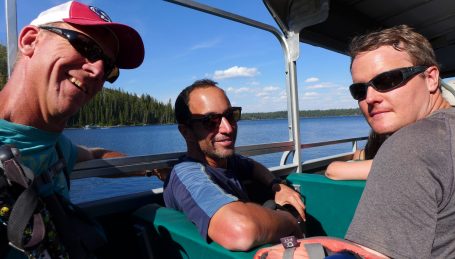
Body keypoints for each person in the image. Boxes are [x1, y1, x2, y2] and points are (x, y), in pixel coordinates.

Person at [0, 0, 144, 200]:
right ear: (30, 41)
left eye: (109, 67)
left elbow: (96, 155)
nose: (98, 71)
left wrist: (153, 170)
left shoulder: (57, 148)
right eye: (86, 47)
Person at [342, 24, 455, 258]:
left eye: (388, 80)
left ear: (431, 78)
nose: (370, 98)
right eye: (359, 90)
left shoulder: (409, 146)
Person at [163, 79, 305, 251]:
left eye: (230, 115)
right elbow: (241, 231)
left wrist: (276, 186)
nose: (228, 128)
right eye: (210, 121)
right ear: (187, 132)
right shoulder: (187, 174)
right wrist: (289, 220)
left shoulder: (226, 162)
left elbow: (252, 166)